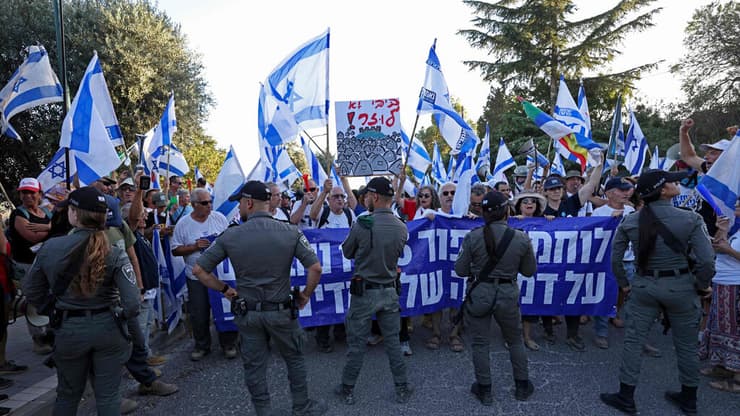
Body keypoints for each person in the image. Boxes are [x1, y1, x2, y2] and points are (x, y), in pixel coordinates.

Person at [192, 180, 327, 416]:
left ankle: (263, 411)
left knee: (254, 366)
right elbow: (315, 268)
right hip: (282, 311)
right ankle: (302, 407)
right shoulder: (290, 231)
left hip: (249, 312)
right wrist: (305, 295)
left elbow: (199, 270)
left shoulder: (231, 235)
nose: (240, 209)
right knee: (294, 358)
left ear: (249, 203)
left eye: (241, 204)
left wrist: (225, 290)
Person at [600, 169, 716, 416]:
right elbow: (707, 262)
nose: (677, 184)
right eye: (673, 182)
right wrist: (700, 284)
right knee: (686, 345)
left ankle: (626, 396)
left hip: (644, 286)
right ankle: (689, 399)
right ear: (663, 190)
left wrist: (625, 284)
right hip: (682, 286)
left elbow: (615, 259)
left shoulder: (630, 221)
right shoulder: (690, 219)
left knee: (633, 342)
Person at [23, 186, 140, 415]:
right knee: (108, 397)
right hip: (108, 327)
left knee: (67, 396)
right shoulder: (115, 250)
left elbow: (31, 290)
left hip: (69, 329)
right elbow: (133, 303)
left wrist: (53, 308)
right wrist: (119, 316)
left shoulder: (51, 247)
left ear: (74, 214)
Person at [335, 177, 412, 405]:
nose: (365, 199)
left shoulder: (362, 223)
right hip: (389, 291)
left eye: (367, 195)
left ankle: (347, 388)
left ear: (374, 197)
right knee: (393, 343)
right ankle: (402, 387)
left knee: (357, 344)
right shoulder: (401, 226)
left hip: (364, 293)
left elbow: (348, 252)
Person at [455, 191, 537, 405]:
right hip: (507, 294)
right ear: (506, 211)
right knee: (515, 340)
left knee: (480, 344)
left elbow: (461, 270)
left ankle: (485, 390)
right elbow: (529, 271)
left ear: (483, 212)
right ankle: (522, 386)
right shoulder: (520, 237)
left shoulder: (473, 236)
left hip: (480, 293)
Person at [171, 188, 238, 360]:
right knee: (199, 312)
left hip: (219, 275)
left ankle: (228, 343)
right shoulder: (183, 224)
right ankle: (202, 346)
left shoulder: (219, 219)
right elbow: (175, 250)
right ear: (193, 205)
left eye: (210, 201)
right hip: (196, 276)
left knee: (224, 309)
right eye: (204, 203)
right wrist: (194, 247)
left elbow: (231, 241)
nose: (209, 205)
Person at [7, 177, 53, 354]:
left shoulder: (46, 214)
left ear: (39, 194)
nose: (27, 196)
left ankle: (50, 334)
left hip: (47, 264)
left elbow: (59, 229)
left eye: (31, 192)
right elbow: (31, 237)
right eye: (24, 192)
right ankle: (39, 340)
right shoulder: (18, 215)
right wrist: (51, 228)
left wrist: (46, 228)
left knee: (49, 298)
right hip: (27, 265)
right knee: (33, 301)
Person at [309, 182, 355, 352]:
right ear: (329, 199)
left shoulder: (349, 214)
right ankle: (322, 337)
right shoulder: (324, 212)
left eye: (342, 196)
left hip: (343, 267)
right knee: (325, 302)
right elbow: (313, 214)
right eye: (336, 196)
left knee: (343, 299)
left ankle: (340, 332)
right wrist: (323, 192)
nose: (340, 199)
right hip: (325, 268)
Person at [590, 177, 636, 349]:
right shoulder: (599, 213)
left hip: (629, 260)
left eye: (627, 190)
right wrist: (610, 221)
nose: (626, 193)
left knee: (628, 293)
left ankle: (615, 314)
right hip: (607, 262)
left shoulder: (631, 210)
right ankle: (601, 332)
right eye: (621, 190)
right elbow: (594, 237)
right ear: (609, 193)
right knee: (606, 294)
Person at [699, 204, 740, 393]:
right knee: (721, 327)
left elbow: (726, 250)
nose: (735, 208)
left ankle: (737, 380)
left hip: (736, 284)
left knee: (736, 332)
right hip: (723, 282)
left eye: (739, 205)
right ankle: (724, 367)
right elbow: (718, 248)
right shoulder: (736, 226)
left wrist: (728, 249)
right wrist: (722, 231)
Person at [511, 191, 549, 350]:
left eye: (533, 201)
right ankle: (512, 338)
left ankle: (527, 337)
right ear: (519, 206)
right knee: (513, 307)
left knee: (530, 305)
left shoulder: (545, 222)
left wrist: (551, 222)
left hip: (534, 270)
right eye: (525, 201)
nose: (529, 204)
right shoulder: (510, 222)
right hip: (514, 269)